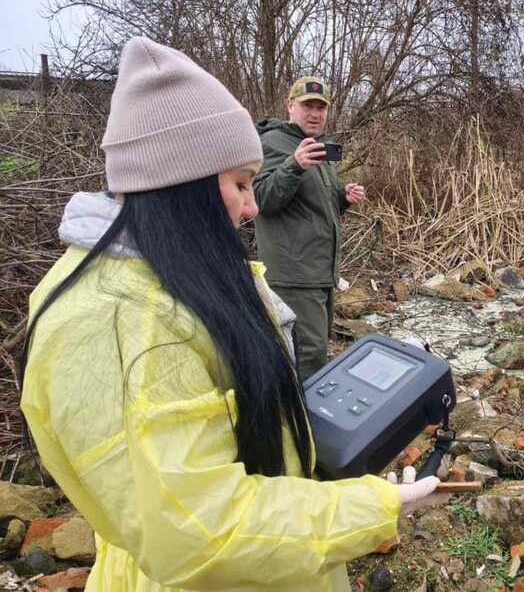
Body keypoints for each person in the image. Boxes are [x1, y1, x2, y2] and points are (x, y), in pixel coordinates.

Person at [19, 37, 437, 592]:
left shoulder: (180, 275)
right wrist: (366, 508)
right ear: (181, 183)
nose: (250, 205)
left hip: (266, 562)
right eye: (240, 183)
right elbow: (197, 532)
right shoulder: (124, 321)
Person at [253, 77, 365, 380]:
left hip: (320, 273)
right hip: (294, 275)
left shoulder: (316, 146)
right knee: (308, 356)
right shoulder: (272, 143)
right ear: (290, 106)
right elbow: (261, 200)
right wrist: (294, 165)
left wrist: (343, 197)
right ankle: (304, 411)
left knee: (313, 351)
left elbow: (312, 205)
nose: (315, 114)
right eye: (307, 106)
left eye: (321, 107)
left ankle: (299, 405)